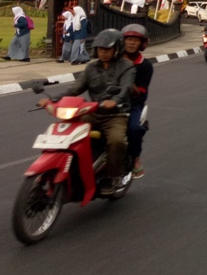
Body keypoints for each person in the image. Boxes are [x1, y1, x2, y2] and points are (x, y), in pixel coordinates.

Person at [38, 28, 135, 193]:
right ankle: (72, 167)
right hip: (93, 111)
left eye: (107, 49)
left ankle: (114, 176)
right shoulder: (91, 68)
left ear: (117, 49)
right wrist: (52, 100)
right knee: (67, 131)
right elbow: (75, 89)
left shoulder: (127, 67)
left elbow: (126, 88)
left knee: (116, 141)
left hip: (116, 114)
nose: (103, 52)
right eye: (100, 49)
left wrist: (114, 101)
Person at [121, 23, 153, 179]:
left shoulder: (145, 66)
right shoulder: (114, 60)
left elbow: (141, 93)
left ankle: (135, 159)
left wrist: (129, 84)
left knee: (133, 129)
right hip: (109, 102)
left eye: (135, 40)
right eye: (128, 39)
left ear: (142, 43)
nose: (132, 43)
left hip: (132, 104)